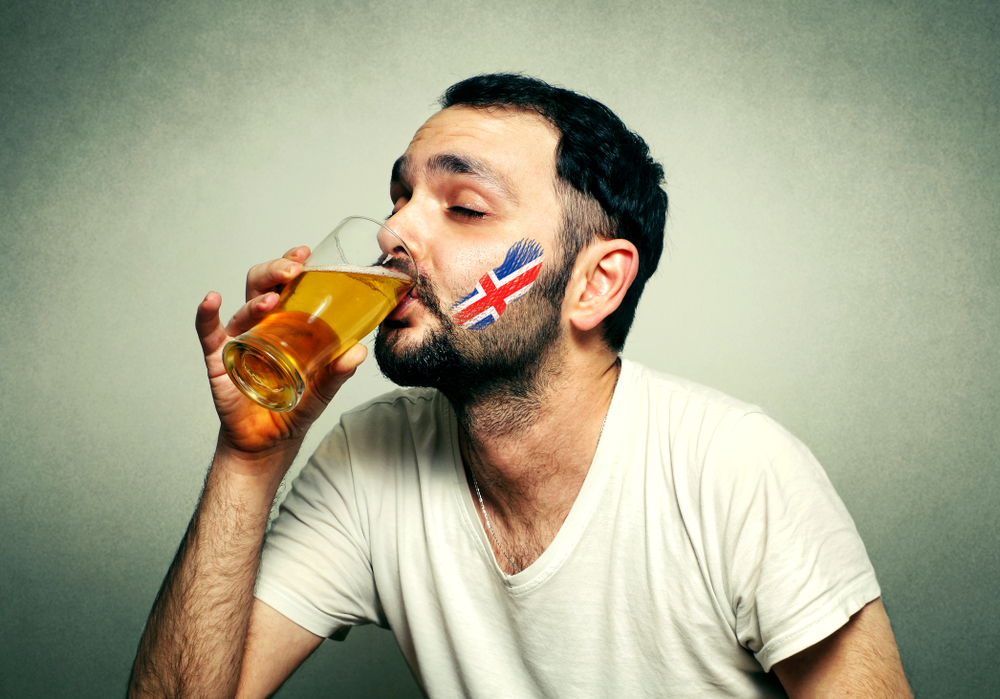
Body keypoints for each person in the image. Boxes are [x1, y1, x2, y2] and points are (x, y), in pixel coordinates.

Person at [128, 74, 912, 698]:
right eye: (402, 196)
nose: (392, 232)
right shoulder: (372, 459)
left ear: (595, 283)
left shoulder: (735, 469)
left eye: (464, 206)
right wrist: (249, 458)